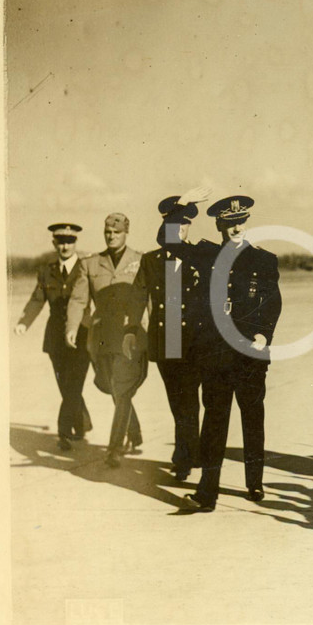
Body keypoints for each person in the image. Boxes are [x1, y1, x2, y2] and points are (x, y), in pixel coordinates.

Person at [182, 194, 282, 512]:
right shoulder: (204, 254)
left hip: (249, 353)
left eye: (240, 222)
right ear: (218, 225)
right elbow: (167, 241)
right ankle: (207, 493)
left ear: (246, 223)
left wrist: (264, 334)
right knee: (214, 420)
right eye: (228, 223)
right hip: (214, 354)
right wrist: (183, 207)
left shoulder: (264, 260)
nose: (235, 228)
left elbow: (272, 302)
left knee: (252, 418)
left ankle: (255, 482)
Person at [129, 196, 207, 481]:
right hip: (166, 339)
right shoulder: (151, 260)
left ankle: (184, 457)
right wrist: (130, 329)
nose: (180, 231)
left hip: (194, 340)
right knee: (179, 402)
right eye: (174, 224)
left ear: (189, 229)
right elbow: (138, 296)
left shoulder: (198, 255)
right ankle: (188, 452)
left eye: (184, 225)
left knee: (189, 401)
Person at [66, 213, 148, 468]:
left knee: (122, 388)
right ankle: (133, 432)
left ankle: (114, 448)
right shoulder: (90, 264)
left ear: (126, 233)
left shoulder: (141, 261)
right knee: (112, 387)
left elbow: (152, 299)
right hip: (101, 338)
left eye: (117, 232)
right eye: (108, 232)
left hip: (130, 335)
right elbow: (79, 299)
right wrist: (72, 326)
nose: (111, 236)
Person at [15, 223, 93, 450]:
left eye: (69, 241)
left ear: (75, 243)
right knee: (65, 384)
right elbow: (37, 299)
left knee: (73, 383)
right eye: (60, 241)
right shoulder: (46, 271)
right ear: (54, 244)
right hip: (55, 339)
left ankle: (64, 432)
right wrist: (24, 322)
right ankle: (82, 423)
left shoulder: (86, 268)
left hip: (81, 333)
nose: (65, 246)